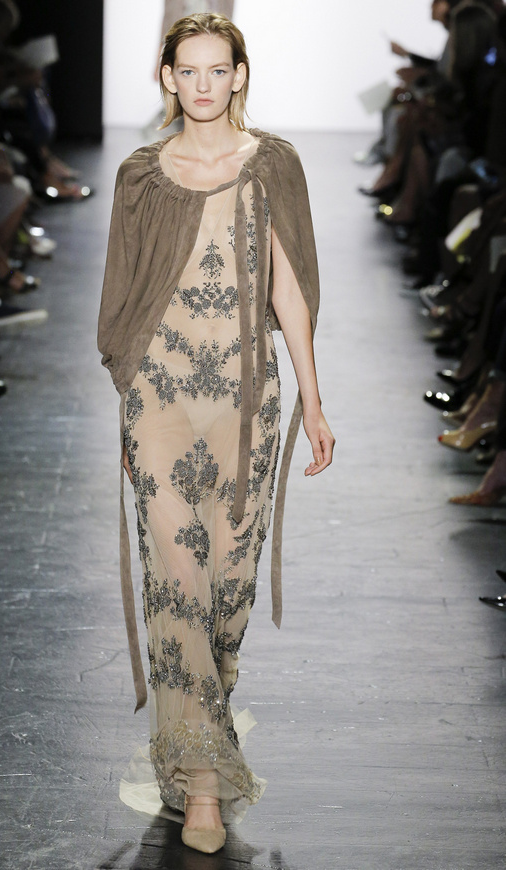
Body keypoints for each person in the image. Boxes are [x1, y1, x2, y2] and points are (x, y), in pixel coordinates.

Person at [98, 13, 334, 855]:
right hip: (160, 397)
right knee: (178, 583)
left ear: (239, 75)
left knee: (227, 589)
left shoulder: (272, 166)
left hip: (245, 400)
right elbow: (122, 292)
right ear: (168, 78)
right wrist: (128, 392)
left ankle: (199, 720)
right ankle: (202, 785)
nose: (203, 84)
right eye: (188, 70)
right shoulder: (141, 177)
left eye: (217, 69)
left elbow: (289, 290)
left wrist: (313, 400)